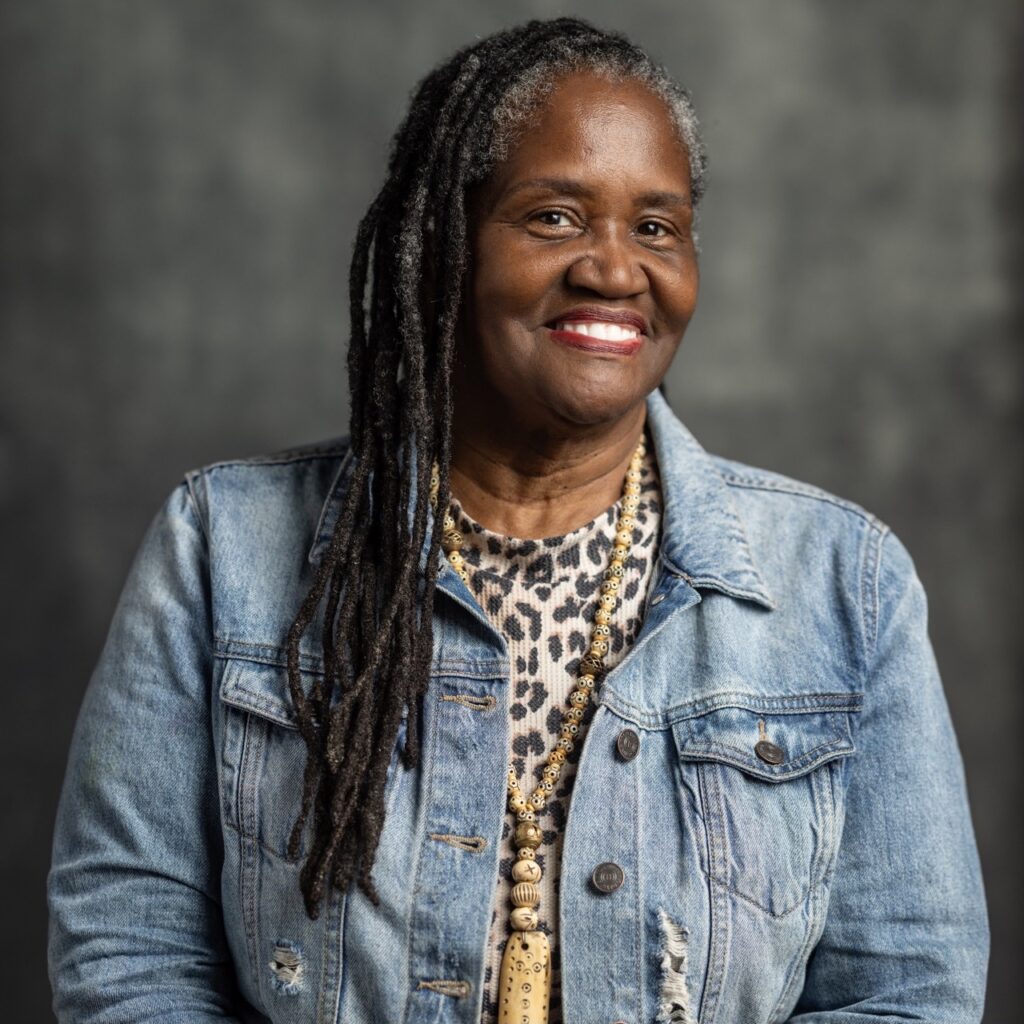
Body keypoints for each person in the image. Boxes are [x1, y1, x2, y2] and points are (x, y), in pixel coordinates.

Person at [47, 16, 989, 1024]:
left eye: (656, 228)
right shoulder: (219, 548)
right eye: (554, 217)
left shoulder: (844, 582)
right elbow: (130, 950)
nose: (614, 270)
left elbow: (908, 993)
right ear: (440, 248)